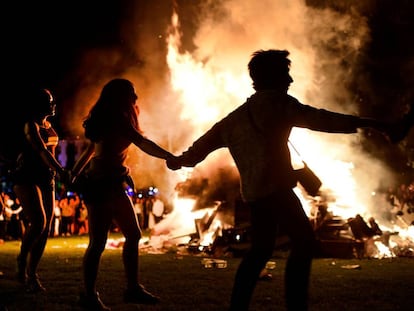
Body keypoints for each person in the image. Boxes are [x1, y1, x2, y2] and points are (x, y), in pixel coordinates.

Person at [167, 49, 408, 311]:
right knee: (304, 244)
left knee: (259, 253)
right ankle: (295, 306)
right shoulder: (280, 105)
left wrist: (178, 160)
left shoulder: (233, 119)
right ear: (275, 76)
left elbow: (196, 152)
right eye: (286, 73)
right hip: (278, 192)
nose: (290, 80)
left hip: (256, 196)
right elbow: (323, 119)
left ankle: (239, 307)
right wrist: (376, 124)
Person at [71, 78, 177, 310]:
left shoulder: (107, 116)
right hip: (103, 184)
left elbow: (91, 149)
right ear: (121, 97)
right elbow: (142, 142)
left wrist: (74, 174)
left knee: (131, 234)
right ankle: (90, 295)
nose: (135, 98)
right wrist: (170, 156)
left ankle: (131, 288)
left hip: (108, 182)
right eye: (132, 93)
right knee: (99, 242)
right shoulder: (118, 117)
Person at [12, 88, 68, 293]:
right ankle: (21, 259)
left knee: (46, 227)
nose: (53, 104)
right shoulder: (31, 126)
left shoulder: (49, 126)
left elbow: (51, 152)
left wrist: (56, 174)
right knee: (39, 221)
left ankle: (32, 273)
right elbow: (42, 151)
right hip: (27, 176)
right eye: (49, 101)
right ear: (39, 104)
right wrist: (61, 171)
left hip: (47, 178)